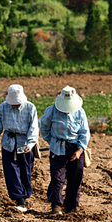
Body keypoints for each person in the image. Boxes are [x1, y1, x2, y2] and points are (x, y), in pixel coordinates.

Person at [40, 85, 90, 215]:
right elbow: (44, 127)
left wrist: (79, 150)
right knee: (57, 177)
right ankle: (56, 205)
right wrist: (52, 142)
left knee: (75, 178)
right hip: (57, 147)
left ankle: (71, 206)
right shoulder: (51, 111)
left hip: (75, 148)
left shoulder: (80, 112)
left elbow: (84, 132)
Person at [0, 84, 39, 212]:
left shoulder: (30, 107)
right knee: (11, 172)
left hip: (25, 144)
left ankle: (24, 196)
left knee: (26, 171)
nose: (15, 105)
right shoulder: (3, 107)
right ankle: (19, 200)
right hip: (8, 143)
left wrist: (30, 144)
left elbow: (33, 127)